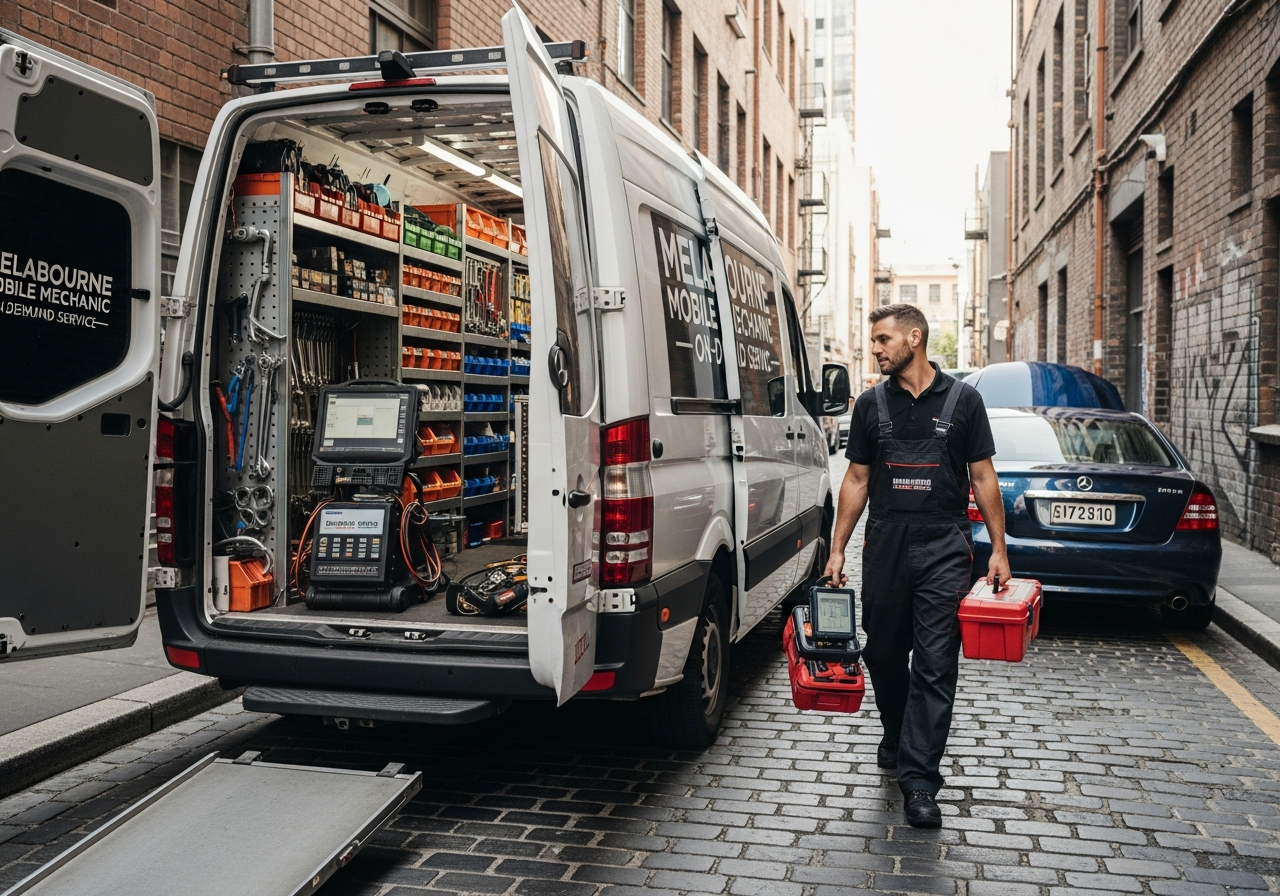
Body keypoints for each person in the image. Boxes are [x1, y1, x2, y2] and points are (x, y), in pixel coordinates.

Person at [824, 303, 1009, 829]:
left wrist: (998, 549)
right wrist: (837, 548)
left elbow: (983, 476)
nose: (875, 350)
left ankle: (920, 780)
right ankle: (897, 728)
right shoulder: (870, 404)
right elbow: (857, 479)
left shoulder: (964, 401)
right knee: (881, 652)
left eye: (883, 340)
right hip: (886, 542)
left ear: (914, 338)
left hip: (944, 545)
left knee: (935, 663)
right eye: (873, 341)